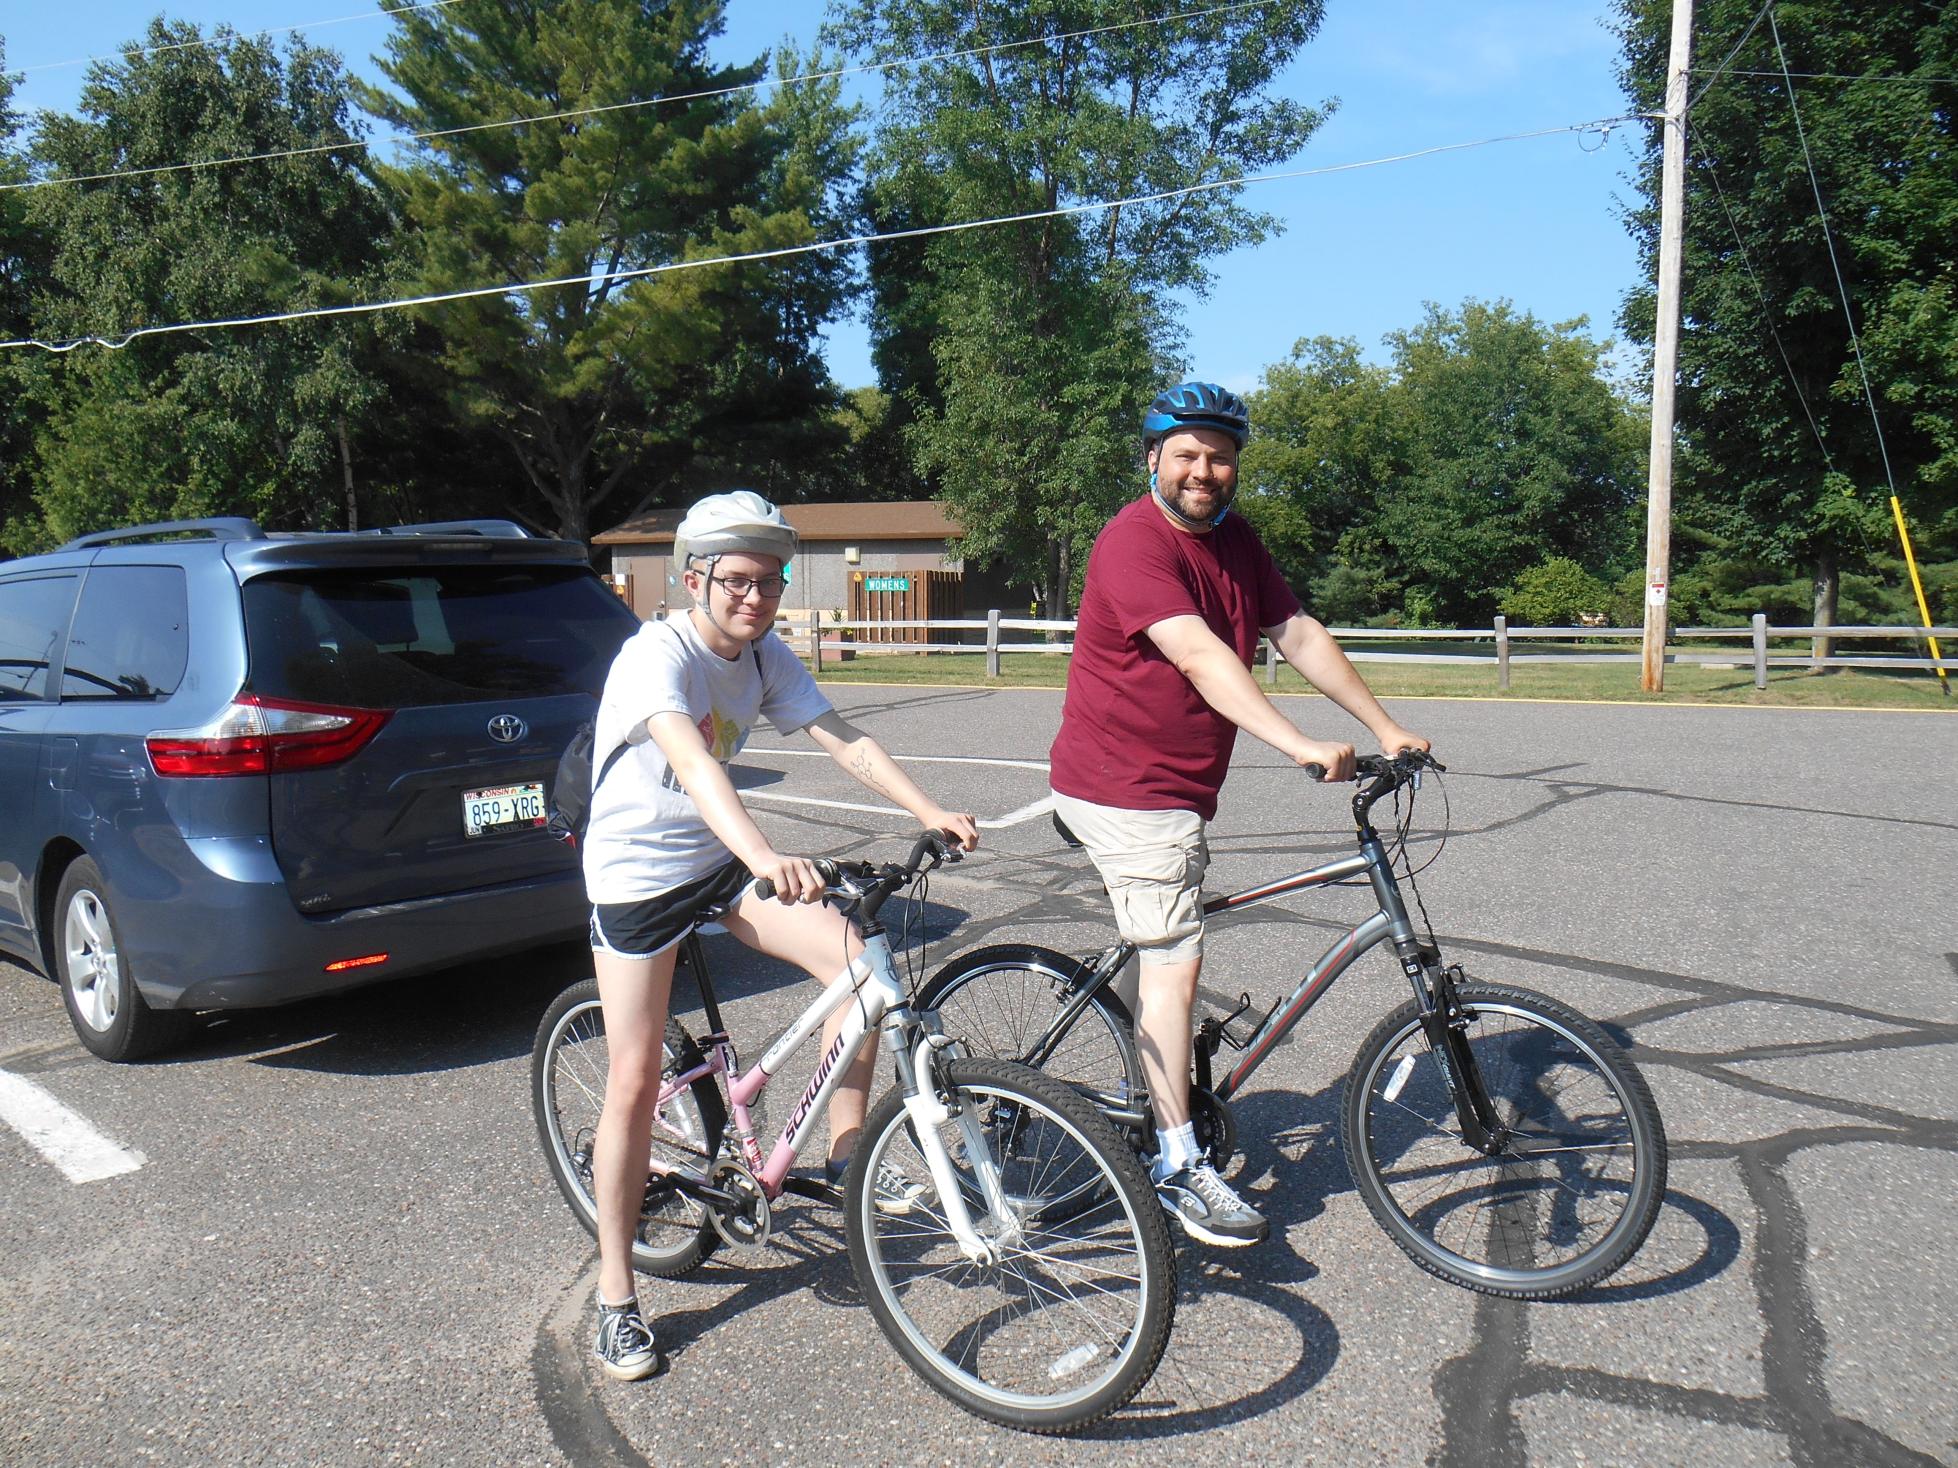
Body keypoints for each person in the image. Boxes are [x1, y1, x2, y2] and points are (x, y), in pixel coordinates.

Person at [582, 489, 980, 1380]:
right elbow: (688, 757)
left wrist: (929, 809)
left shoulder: (763, 653)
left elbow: (841, 736)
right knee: (636, 1077)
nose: (755, 597)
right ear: (695, 579)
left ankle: (846, 1158)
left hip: (717, 857)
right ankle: (616, 1297)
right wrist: (764, 852)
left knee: (859, 966)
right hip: (639, 872)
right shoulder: (659, 654)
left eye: (770, 580)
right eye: (737, 580)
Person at [1049, 382, 1431, 1248]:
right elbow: (1197, 653)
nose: (1203, 470)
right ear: (1153, 458)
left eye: (1219, 456)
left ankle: (1164, 1076)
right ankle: (1177, 1163)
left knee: (1168, 940)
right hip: (1123, 787)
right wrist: (1295, 740)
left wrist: (1385, 727)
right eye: (1185, 452)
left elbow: (1295, 631)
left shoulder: (1235, 541)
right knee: (1176, 961)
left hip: (1178, 786)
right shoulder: (1132, 542)